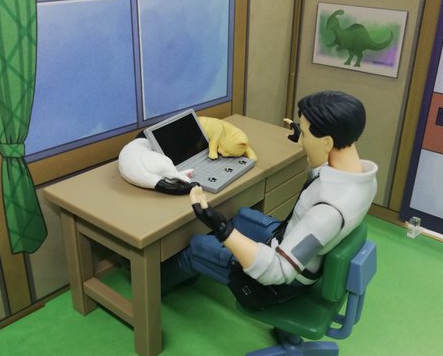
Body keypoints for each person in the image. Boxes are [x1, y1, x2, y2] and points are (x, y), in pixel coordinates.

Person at [161, 90, 378, 295]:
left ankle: (156, 288)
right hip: (287, 238)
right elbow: (322, 169)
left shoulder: (327, 214)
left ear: (327, 142)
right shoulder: (362, 178)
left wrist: (221, 228)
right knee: (240, 216)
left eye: (304, 135)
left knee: (196, 247)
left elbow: (279, 271)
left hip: (281, 282)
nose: (300, 143)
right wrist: (305, 135)